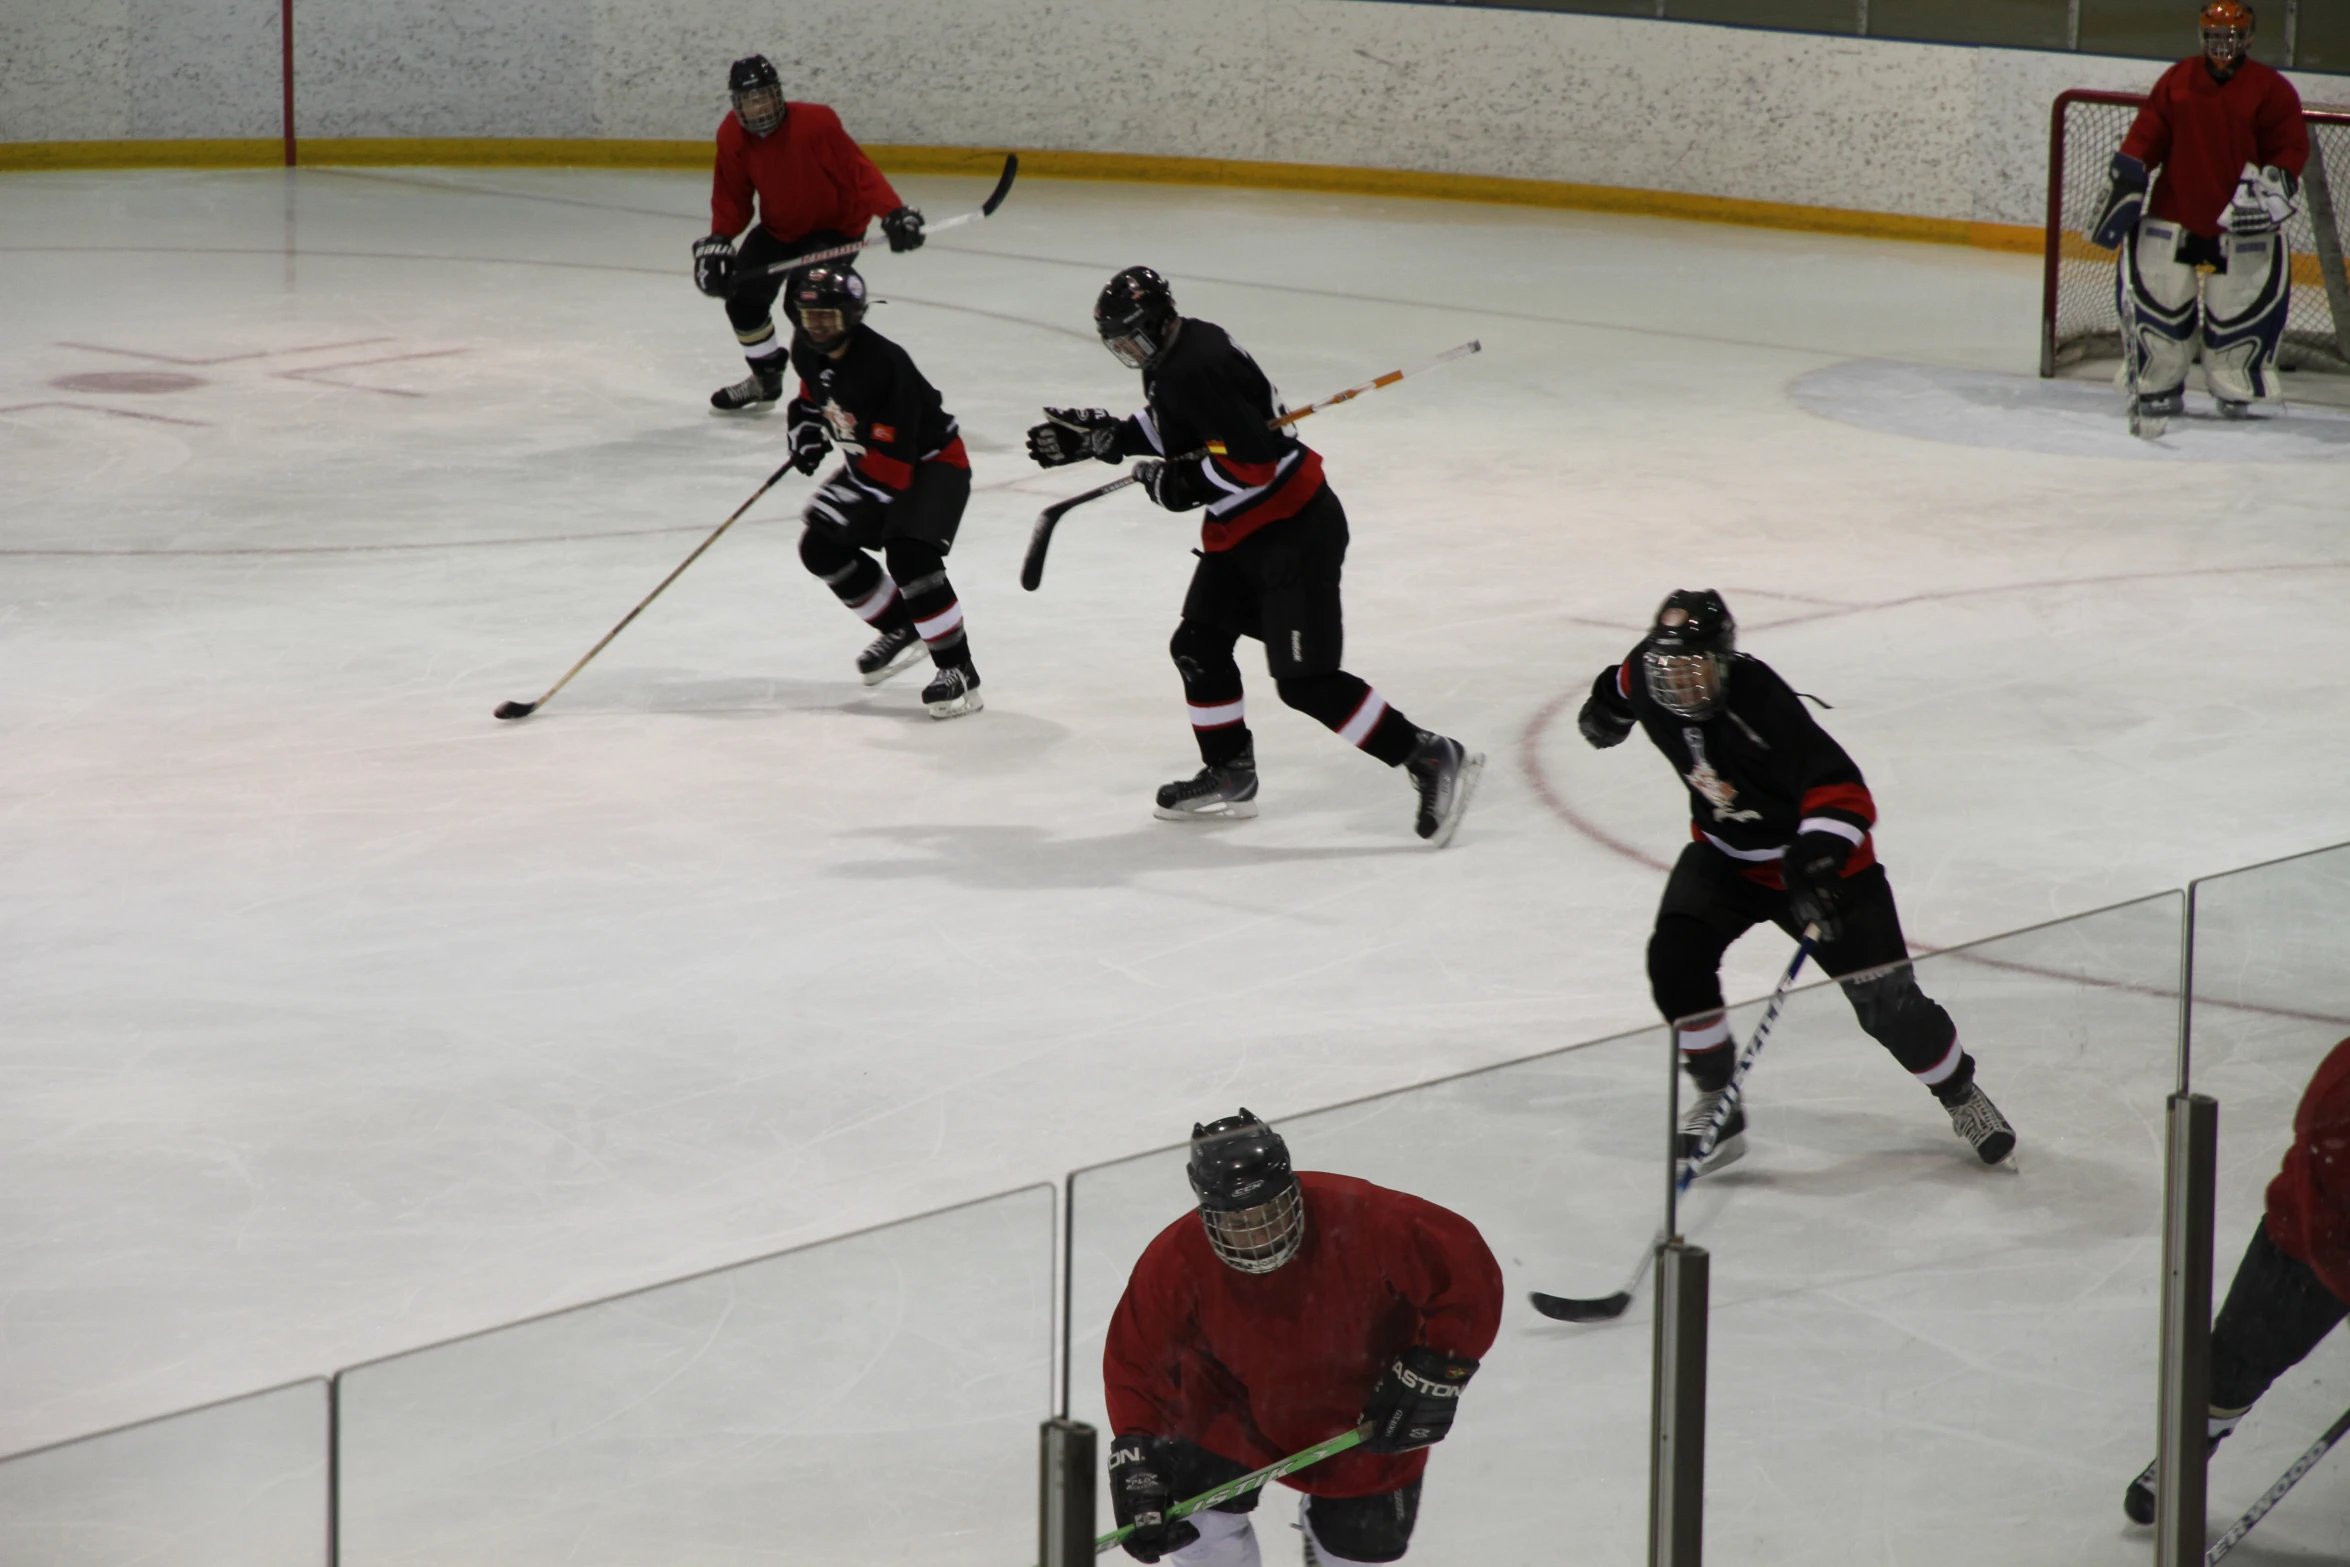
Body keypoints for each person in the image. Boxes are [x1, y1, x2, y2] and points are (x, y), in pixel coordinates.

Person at [1024, 267, 1481, 847]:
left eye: (1134, 339)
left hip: (1293, 532)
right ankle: (1230, 774)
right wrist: (1107, 439)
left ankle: (1428, 755)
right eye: (1121, 346)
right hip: (1244, 531)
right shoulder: (1177, 354)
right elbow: (1180, 427)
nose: (1131, 353)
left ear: (1161, 320)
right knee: (1197, 646)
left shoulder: (1194, 365)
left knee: (1305, 683)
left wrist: (1179, 486)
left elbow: (1249, 465)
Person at [1578, 590, 2016, 1171]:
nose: (1679, 686)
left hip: (1818, 866)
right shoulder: (1647, 672)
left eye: (1694, 671)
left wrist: (1816, 861)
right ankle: (1718, 1100)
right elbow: (1621, 681)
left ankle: (1959, 1092)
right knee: (1675, 960)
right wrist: (1606, 710)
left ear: (1724, 662)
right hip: (1726, 857)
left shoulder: (1763, 707)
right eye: (1669, 671)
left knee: (1889, 1007)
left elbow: (1842, 791)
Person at [1103, 1111, 1503, 1567]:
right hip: (1229, 1408)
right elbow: (1134, 1364)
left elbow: (1466, 1274)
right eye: (1239, 1221)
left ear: (1292, 1191)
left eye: (1269, 1213)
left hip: (1361, 1407)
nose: (1260, 1235)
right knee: (1195, 1528)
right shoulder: (1175, 1258)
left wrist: (1439, 1367)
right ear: (1207, 1214)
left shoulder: (1366, 1217)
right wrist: (1138, 1456)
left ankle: (1326, 1529)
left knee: (1362, 1548)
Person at [2123, 1035, 2350, 1524]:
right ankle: (2188, 1446)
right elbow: (2328, 1225)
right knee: (2236, 1361)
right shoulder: (2344, 1093)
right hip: (2307, 1244)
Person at [2088, 1, 2310, 435]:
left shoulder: (2271, 89)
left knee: (2239, 309)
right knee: (2159, 305)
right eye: (2213, 36)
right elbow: (2147, 134)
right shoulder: (2177, 80)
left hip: (2240, 223)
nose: (2221, 44)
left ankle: (2236, 383)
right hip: (2175, 213)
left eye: (2230, 36)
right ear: (2201, 36)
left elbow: (2289, 148)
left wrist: (2274, 184)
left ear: (2248, 39)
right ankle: (2156, 381)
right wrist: (2129, 174)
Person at [781, 267, 981, 718]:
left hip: (932, 465)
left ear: (852, 315)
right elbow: (813, 395)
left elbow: (892, 468)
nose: (816, 326)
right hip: (876, 463)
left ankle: (958, 670)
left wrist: (845, 497)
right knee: (821, 548)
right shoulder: (806, 347)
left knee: (911, 555)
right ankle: (903, 627)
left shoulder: (884, 364)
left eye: (827, 317)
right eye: (808, 316)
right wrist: (806, 428)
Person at [690, 55, 926, 412]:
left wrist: (893, 212)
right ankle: (766, 378)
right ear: (737, 104)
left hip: (836, 229)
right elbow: (733, 196)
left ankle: (828, 392)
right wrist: (720, 238)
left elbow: (857, 172)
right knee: (741, 299)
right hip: (781, 228)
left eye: (765, 96)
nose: (759, 106)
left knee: (807, 303)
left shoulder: (816, 124)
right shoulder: (732, 136)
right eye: (750, 100)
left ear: (778, 95)